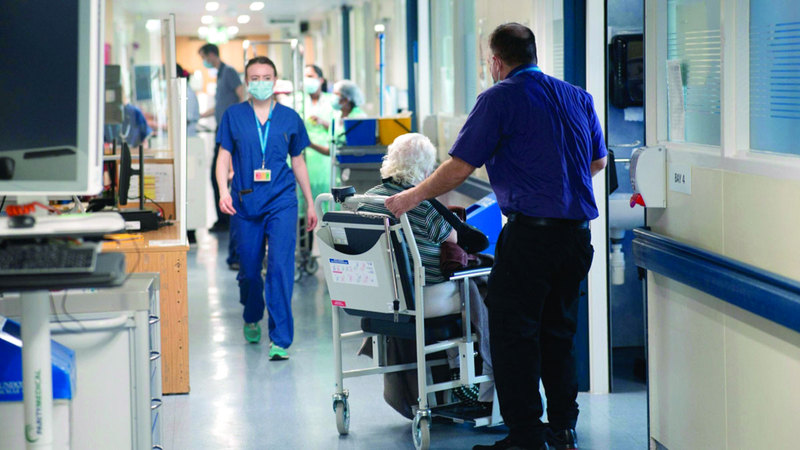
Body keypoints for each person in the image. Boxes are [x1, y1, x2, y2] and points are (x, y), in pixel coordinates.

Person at [386, 23, 607, 450]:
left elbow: (459, 167)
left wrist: (410, 197)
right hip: (577, 239)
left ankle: (525, 434)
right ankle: (563, 428)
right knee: (559, 333)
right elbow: (597, 162)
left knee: (512, 335)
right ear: (534, 54)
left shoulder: (499, 98)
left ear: (496, 61)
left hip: (531, 238)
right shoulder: (577, 96)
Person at [357, 133, 494, 416]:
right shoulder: (420, 204)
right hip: (425, 297)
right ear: (426, 169)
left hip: (383, 297)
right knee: (485, 289)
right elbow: (455, 239)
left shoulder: (366, 201)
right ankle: (482, 385)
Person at [216, 56, 317, 360]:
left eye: (266, 77)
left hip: (282, 199)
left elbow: (298, 161)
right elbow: (223, 156)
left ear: (275, 80)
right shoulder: (233, 115)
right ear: (247, 82)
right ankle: (251, 314)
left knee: (280, 268)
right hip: (245, 200)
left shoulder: (289, 118)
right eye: (255, 78)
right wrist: (223, 191)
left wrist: (310, 201)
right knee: (249, 271)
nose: (261, 82)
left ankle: (280, 339)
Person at [199, 43, 245, 234]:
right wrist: (200, 115)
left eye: (204, 57)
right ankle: (224, 218)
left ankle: (226, 219)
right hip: (222, 129)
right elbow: (220, 105)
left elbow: (241, 95)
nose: (204, 61)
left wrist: (240, 123)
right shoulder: (219, 75)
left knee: (222, 174)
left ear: (212, 55)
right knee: (219, 175)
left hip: (231, 130)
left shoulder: (229, 72)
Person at [299, 65, 337, 213]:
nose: (307, 80)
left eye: (310, 76)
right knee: (304, 194)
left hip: (324, 156)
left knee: (325, 196)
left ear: (321, 80)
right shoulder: (298, 100)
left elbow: (339, 128)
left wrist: (323, 122)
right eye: (305, 76)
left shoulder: (332, 101)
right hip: (303, 154)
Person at [176, 64, 200, 137]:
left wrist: (166, 126)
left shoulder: (187, 94)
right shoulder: (178, 93)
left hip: (187, 137)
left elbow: (186, 119)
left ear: (177, 75)